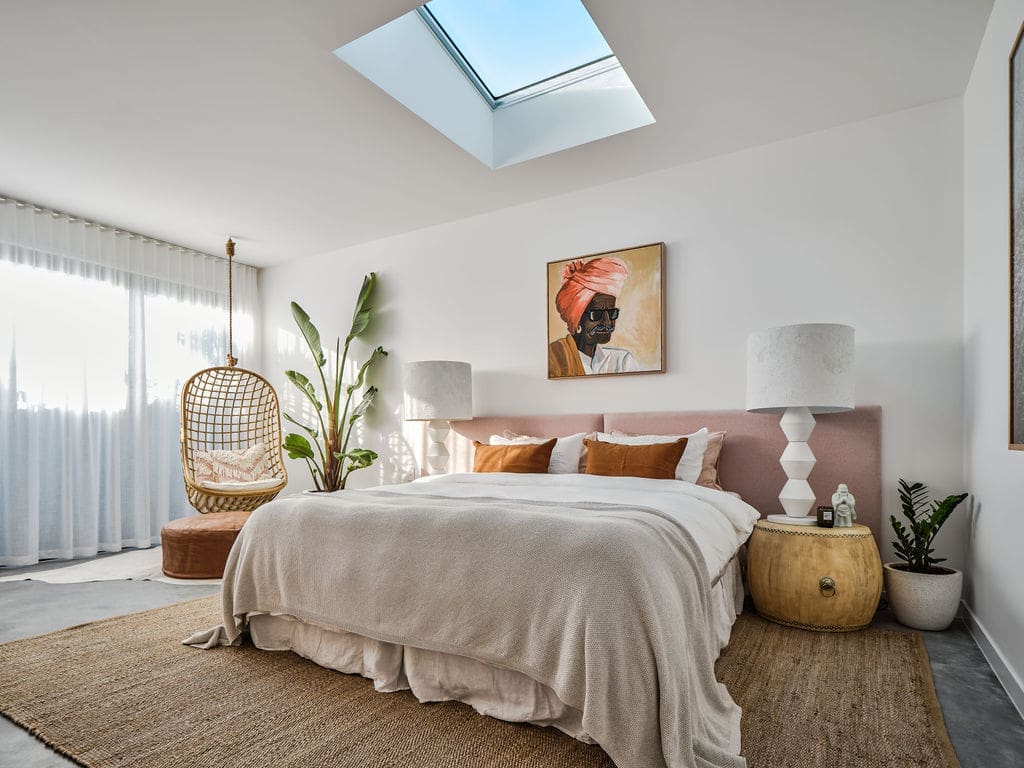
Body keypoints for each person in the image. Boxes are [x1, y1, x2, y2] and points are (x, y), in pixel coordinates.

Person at [548, 257, 640, 377]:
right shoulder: (553, 358)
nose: (607, 323)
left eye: (612, 313)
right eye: (596, 314)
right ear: (577, 318)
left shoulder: (622, 361)